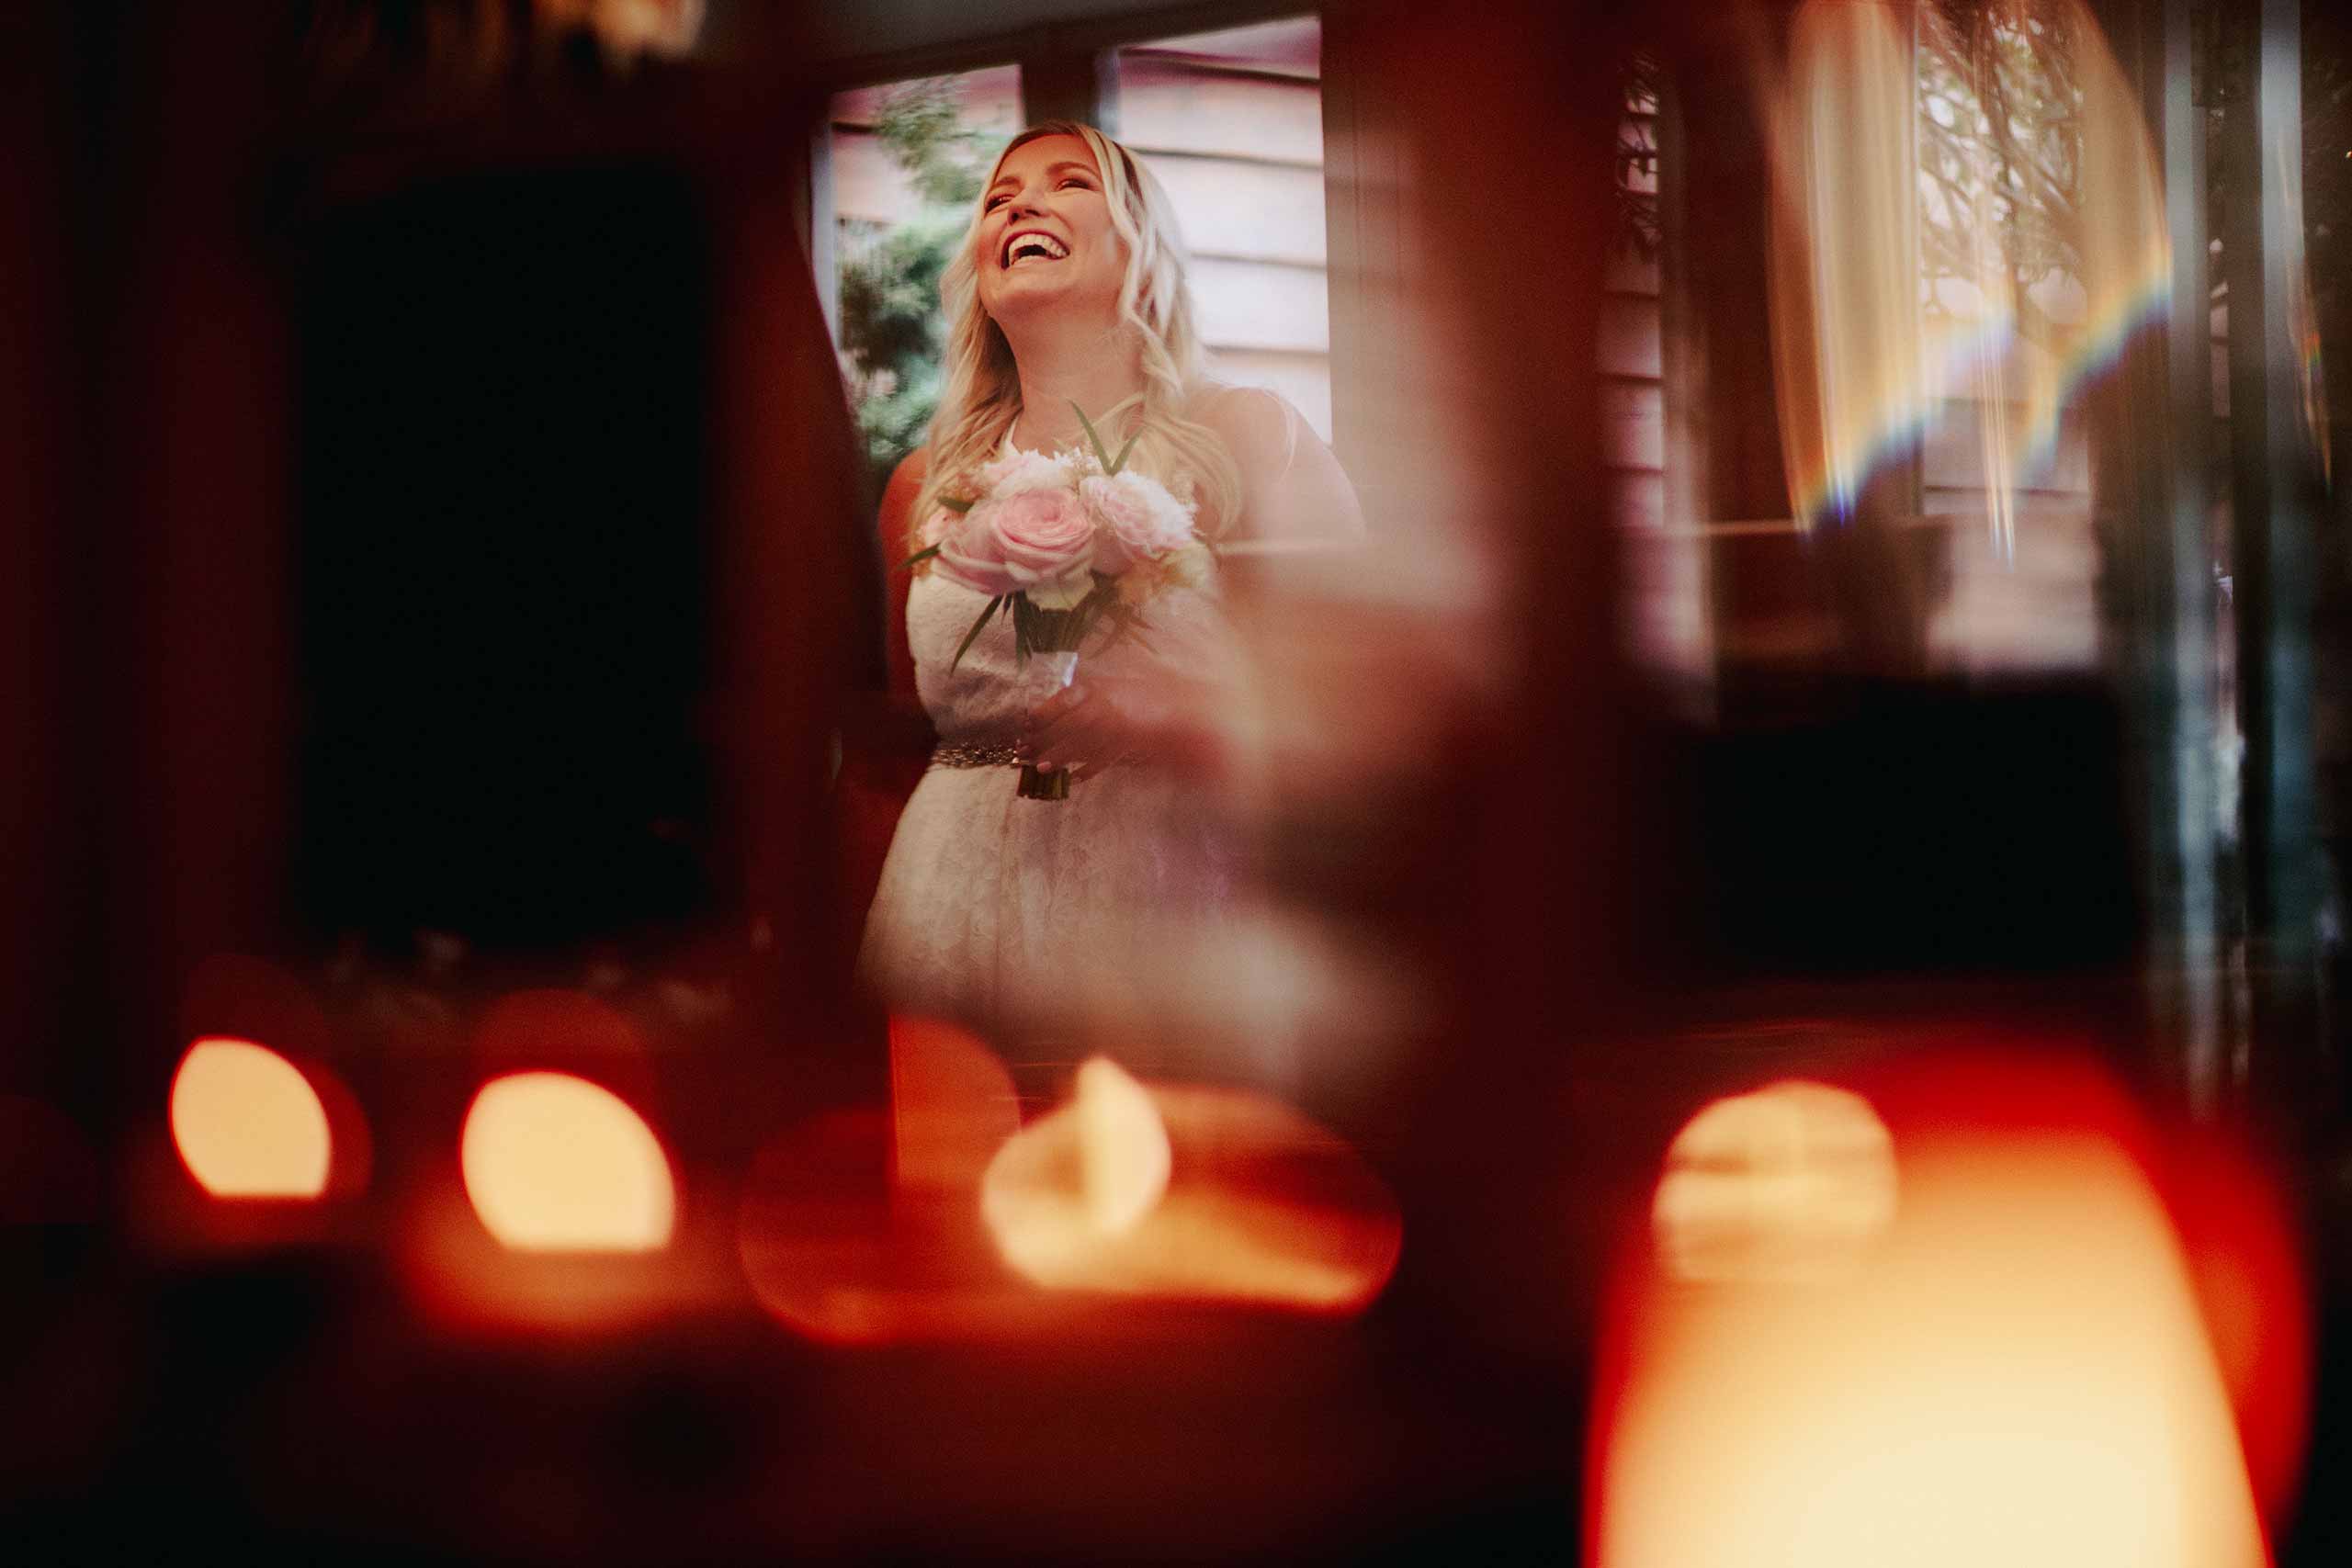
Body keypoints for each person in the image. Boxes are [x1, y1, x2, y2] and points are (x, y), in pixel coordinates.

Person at [847, 120, 1363, 1057]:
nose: (1022, 203)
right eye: (1000, 196)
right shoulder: (922, 486)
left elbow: (1356, 698)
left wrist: (1171, 712)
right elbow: (893, 752)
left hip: (1168, 896)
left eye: (1068, 183)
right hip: (947, 905)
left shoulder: (1248, 436)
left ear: (1140, 246)